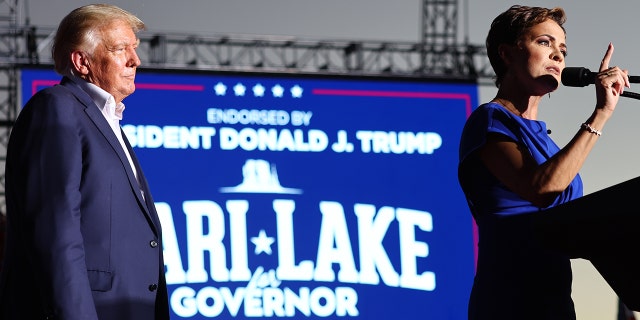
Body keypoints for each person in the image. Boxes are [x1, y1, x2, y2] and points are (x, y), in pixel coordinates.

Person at [457, 5, 629, 320]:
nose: (558, 55)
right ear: (507, 54)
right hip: (508, 302)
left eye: (562, 48)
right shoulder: (490, 119)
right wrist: (601, 114)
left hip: (555, 303)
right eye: (544, 43)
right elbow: (543, 187)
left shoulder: (548, 144)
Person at [0, 4, 170, 320]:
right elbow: (56, 232)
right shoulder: (57, 108)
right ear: (82, 62)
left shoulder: (108, 122)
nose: (136, 60)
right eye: (121, 49)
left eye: (135, 49)